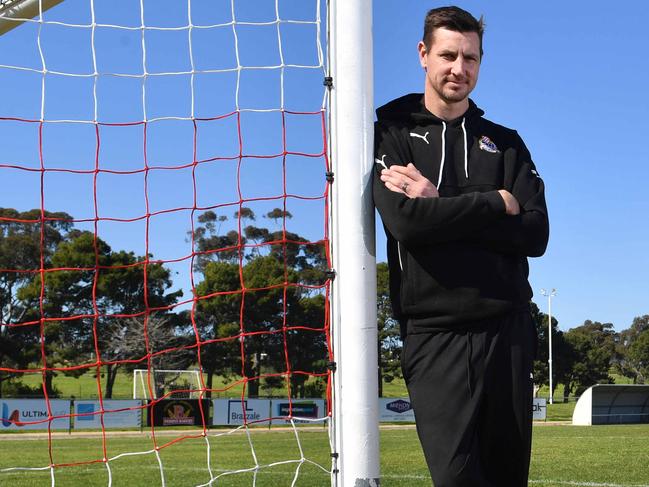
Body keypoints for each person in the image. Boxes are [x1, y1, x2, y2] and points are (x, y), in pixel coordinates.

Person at [373, 6, 549, 487]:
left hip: (507, 330)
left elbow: (535, 235)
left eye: (470, 58)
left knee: (506, 479)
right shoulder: (390, 130)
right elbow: (407, 222)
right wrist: (496, 204)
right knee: (456, 478)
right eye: (448, 55)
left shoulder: (506, 144)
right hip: (434, 334)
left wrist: (440, 202)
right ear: (423, 54)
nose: (459, 68)